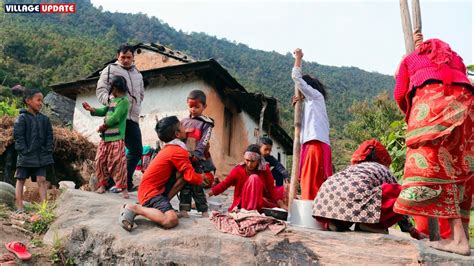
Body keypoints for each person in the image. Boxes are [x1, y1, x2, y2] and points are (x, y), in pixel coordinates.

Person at [393, 33, 473, 256]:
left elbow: (400, 94)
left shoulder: (410, 59)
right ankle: (462, 236)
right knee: (459, 169)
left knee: (437, 168)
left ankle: (458, 241)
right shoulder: (455, 58)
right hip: (468, 105)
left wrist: (410, 113)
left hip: (434, 102)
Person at [313, 140, 424, 239]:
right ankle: (371, 225)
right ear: (382, 159)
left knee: (352, 195)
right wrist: (412, 231)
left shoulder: (352, 168)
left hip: (324, 204)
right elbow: (401, 204)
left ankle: (336, 222)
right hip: (351, 198)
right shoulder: (382, 169)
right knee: (401, 192)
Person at [119, 116, 203, 231]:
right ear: (177, 134)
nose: (186, 128)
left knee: (182, 175)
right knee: (171, 220)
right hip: (150, 193)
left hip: (149, 190)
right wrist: (203, 179)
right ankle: (135, 209)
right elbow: (191, 176)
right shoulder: (177, 151)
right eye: (182, 126)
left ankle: (162, 206)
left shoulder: (171, 147)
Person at [96, 44, 145, 192]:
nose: (125, 60)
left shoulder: (138, 74)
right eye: (122, 57)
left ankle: (124, 181)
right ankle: (109, 183)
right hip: (116, 118)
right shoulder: (110, 69)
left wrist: (136, 104)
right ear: (118, 56)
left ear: (133, 58)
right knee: (111, 153)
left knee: (136, 150)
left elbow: (141, 93)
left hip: (132, 118)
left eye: (128, 57)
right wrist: (113, 103)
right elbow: (100, 90)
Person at [292, 48, 333, 200]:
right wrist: (298, 105)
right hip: (313, 145)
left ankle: (313, 217)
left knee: (311, 183)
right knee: (310, 182)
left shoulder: (315, 96)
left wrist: (298, 58)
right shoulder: (312, 104)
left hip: (315, 145)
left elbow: (295, 76)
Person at [83, 76, 130, 199]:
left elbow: (116, 117)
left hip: (116, 138)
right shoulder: (112, 101)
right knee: (100, 161)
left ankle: (123, 188)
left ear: (114, 88)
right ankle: (102, 185)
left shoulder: (124, 101)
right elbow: (104, 110)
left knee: (118, 164)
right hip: (105, 139)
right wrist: (91, 109)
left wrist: (103, 126)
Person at [208, 144, 287, 212]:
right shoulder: (238, 170)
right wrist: (207, 195)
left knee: (287, 189)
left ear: (258, 160)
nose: (249, 164)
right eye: (247, 160)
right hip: (244, 202)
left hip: (261, 200)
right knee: (254, 178)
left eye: (253, 161)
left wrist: (282, 205)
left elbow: (271, 189)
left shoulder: (265, 169)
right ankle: (251, 210)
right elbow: (224, 185)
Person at [13, 89, 54, 212]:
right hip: (26, 155)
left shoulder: (45, 120)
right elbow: (18, 137)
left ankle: (44, 208)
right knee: (20, 180)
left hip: (41, 156)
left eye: (42, 100)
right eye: (38, 100)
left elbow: (49, 136)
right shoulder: (22, 118)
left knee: (41, 179)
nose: (41, 103)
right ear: (28, 101)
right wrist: (24, 150)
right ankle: (20, 207)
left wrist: (47, 150)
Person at [179, 90, 216, 218]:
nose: (193, 109)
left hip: (197, 159)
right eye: (191, 106)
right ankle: (184, 210)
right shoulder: (183, 122)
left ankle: (203, 210)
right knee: (184, 185)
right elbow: (179, 138)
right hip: (185, 158)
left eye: (197, 106)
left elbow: (204, 141)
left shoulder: (206, 123)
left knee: (197, 184)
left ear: (204, 107)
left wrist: (197, 154)